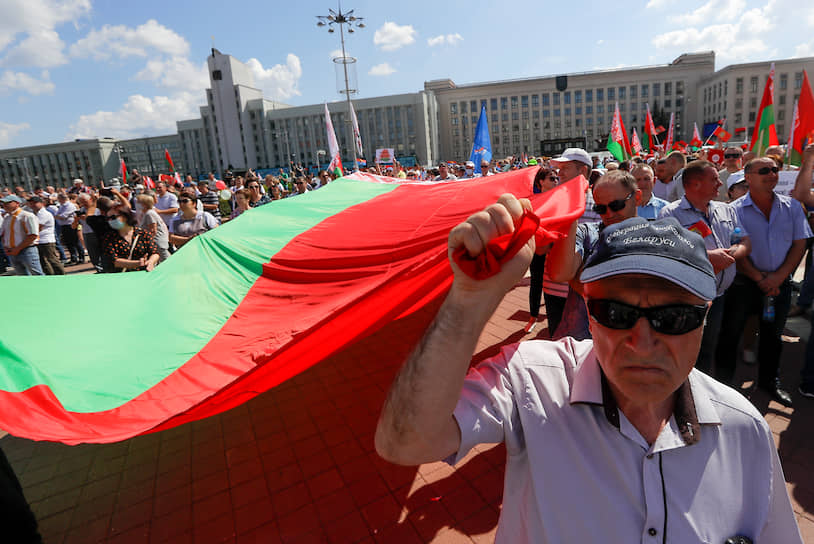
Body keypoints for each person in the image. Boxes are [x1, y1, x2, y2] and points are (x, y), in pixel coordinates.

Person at [376, 201, 802, 542]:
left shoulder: (744, 430)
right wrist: (469, 301)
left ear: (705, 317)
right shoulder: (533, 379)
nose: (643, 340)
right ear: (590, 315)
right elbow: (405, 442)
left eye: (673, 317)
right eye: (615, 312)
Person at [715, 157, 812, 407]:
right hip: (743, 286)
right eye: (764, 170)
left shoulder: (792, 206)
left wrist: (779, 277)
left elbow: (800, 243)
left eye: (775, 170)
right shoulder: (732, 210)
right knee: (731, 335)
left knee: (772, 337)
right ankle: (723, 388)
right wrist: (759, 277)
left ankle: (770, 382)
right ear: (748, 178)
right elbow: (734, 248)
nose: (772, 174)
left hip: (778, 286)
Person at [659, 160, 751, 376]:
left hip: (722, 295)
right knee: (689, 349)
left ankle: (712, 392)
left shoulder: (725, 210)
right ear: (695, 184)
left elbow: (744, 241)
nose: (721, 182)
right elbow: (666, 250)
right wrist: (709, 257)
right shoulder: (670, 214)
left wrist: (731, 255)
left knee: (714, 345)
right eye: (714, 179)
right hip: (691, 297)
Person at [547, 170, 642, 340]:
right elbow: (560, 273)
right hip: (582, 343)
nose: (609, 214)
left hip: (633, 345)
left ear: (637, 197)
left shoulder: (657, 238)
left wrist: (585, 281)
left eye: (616, 205)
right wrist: (571, 214)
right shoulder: (587, 233)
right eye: (600, 208)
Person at [524, 167, 559, 333]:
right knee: (536, 282)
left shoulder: (561, 199)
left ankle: (556, 317)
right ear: (541, 182)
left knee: (555, 283)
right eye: (551, 178)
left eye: (556, 178)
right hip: (538, 247)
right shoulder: (533, 201)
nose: (555, 181)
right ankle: (533, 317)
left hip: (556, 246)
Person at [103, 207, 159, 272]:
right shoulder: (109, 237)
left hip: (144, 274)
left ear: (125, 216)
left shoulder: (143, 233)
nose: (110, 221)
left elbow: (155, 253)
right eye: (107, 218)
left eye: (113, 217)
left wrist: (150, 262)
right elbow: (114, 261)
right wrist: (138, 263)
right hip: (121, 277)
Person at [0, 195, 44, 276]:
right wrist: (6, 247)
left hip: (26, 250)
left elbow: (33, 235)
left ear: (17, 203)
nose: (5, 205)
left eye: (8, 203)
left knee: (37, 274)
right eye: (3, 203)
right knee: (21, 276)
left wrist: (17, 248)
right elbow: (4, 234)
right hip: (12, 251)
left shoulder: (27, 216)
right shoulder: (7, 217)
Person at [27, 196, 64, 275]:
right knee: (42, 261)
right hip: (38, 240)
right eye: (31, 203)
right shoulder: (33, 213)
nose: (33, 205)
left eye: (35, 203)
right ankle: (50, 276)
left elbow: (37, 227)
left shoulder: (44, 213)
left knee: (52, 259)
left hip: (46, 240)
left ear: (42, 203)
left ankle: (62, 275)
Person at [136, 195, 170, 263]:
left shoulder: (149, 214)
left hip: (157, 242)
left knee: (167, 261)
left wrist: (149, 242)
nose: (137, 204)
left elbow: (153, 230)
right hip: (157, 242)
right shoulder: (148, 213)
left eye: (139, 202)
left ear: (145, 204)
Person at [55, 193, 82, 264]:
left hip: (70, 225)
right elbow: (56, 215)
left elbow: (64, 216)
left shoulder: (70, 205)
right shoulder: (61, 206)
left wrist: (59, 216)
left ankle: (81, 257)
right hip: (64, 225)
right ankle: (73, 257)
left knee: (75, 241)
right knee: (68, 242)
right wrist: (59, 216)